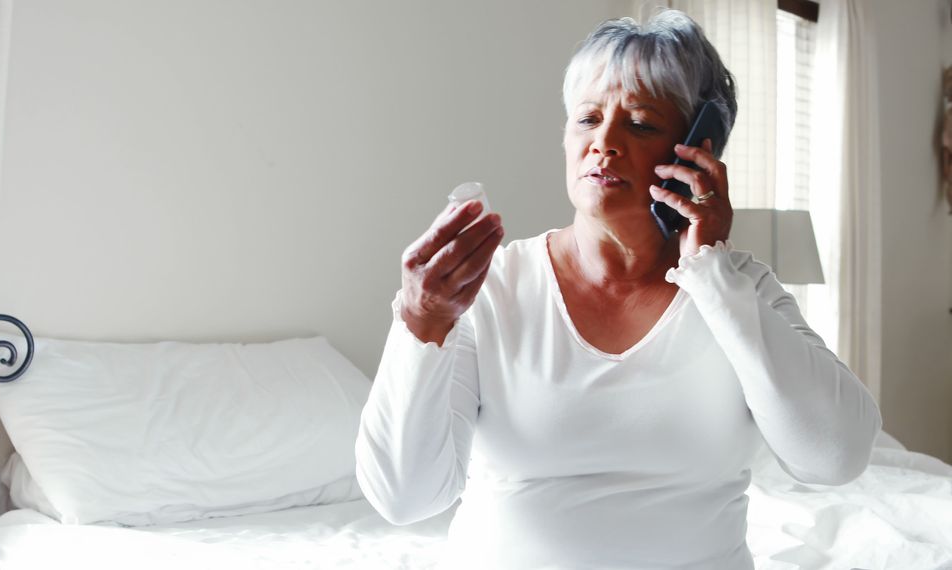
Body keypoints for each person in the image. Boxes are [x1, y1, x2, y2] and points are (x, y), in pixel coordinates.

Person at [355, 9, 882, 569]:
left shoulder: (740, 292)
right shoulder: (491, 287)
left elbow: (834, 458)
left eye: (640, 124)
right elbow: (405, 498)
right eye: (587, 118)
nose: (603, 142)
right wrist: (422, 320)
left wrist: (710, 271)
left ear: (698, 150)